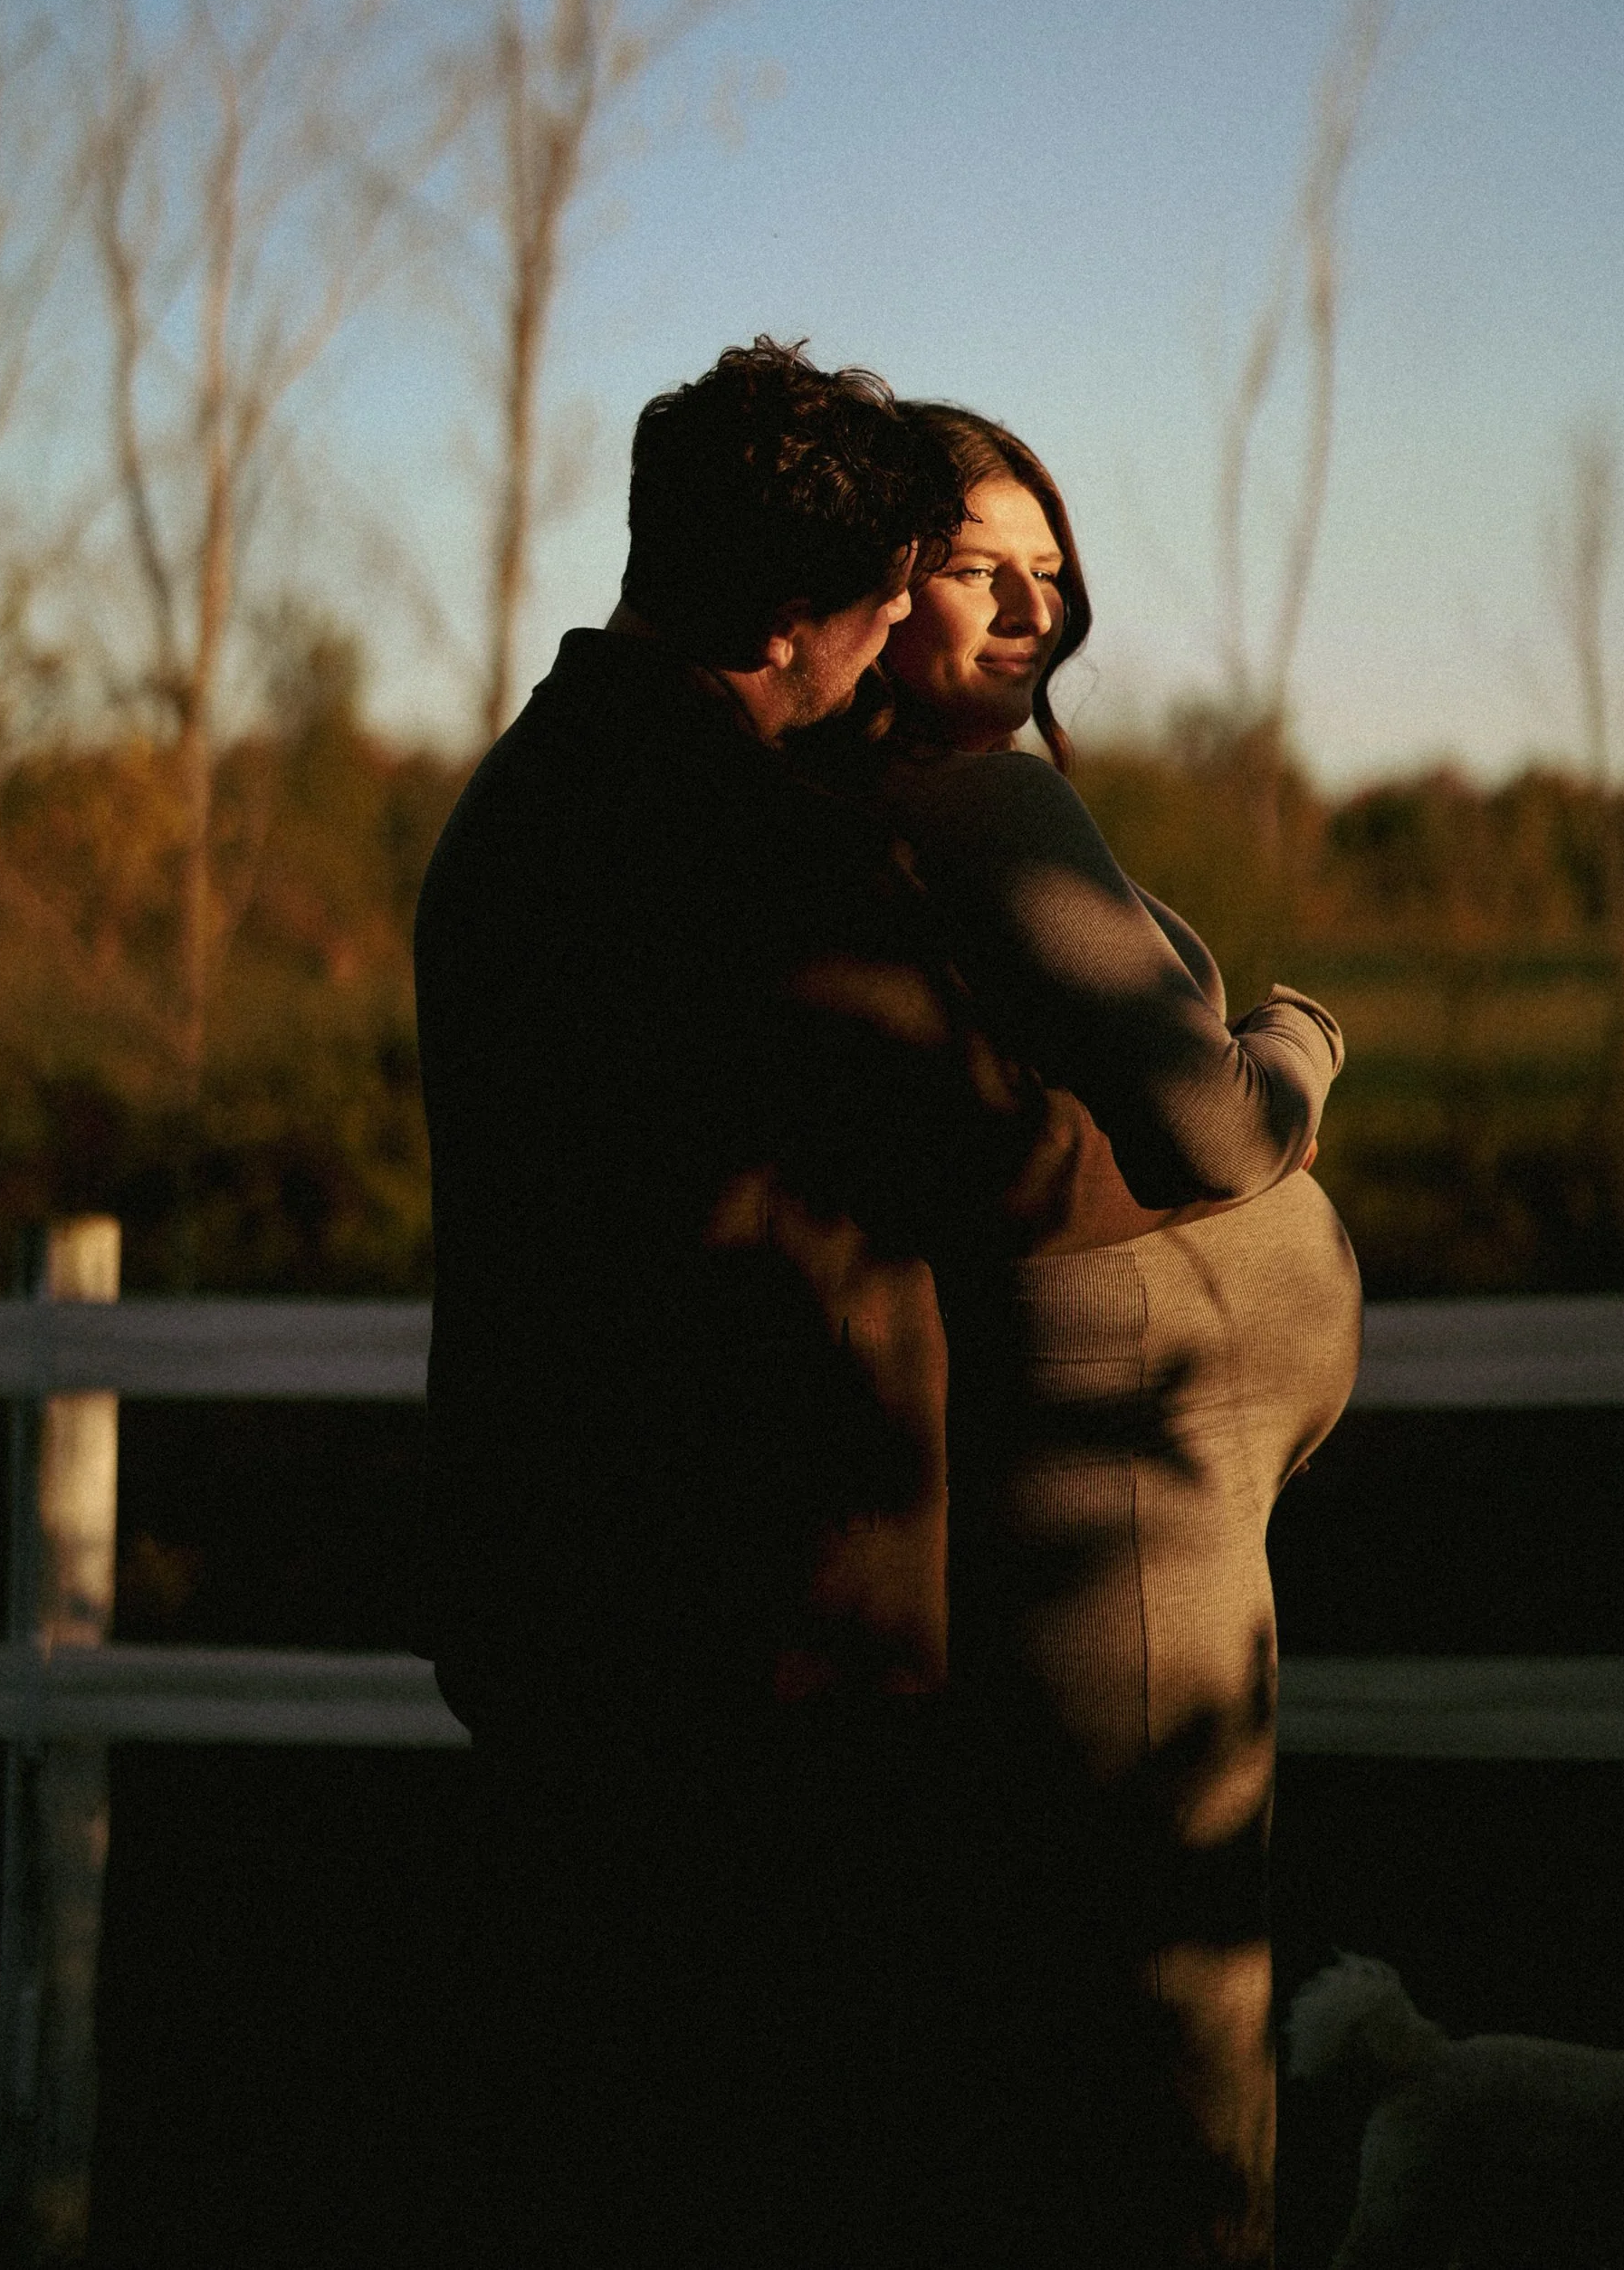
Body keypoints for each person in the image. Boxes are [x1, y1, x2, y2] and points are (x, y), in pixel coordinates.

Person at [414, 339, 1029, 2267]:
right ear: (787, 625)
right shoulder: (766, 853)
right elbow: (998, 1156)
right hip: (764, 1659)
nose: (869, 666)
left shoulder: (509, 811)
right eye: (861, 628)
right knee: (784, 2165)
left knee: (593, 2158)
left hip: (546, 1613)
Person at [872, 403, 1366, 2270]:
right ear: (878, 588)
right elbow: (1210, 1125)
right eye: (973, 567)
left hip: (1162, 1448)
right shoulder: (978, 797)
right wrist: (1306, 1039)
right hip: (1127, 1457)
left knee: (1107, 1993)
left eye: (1047, 570)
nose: (1026, 607)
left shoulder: (947, 795)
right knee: (1177, 2015)